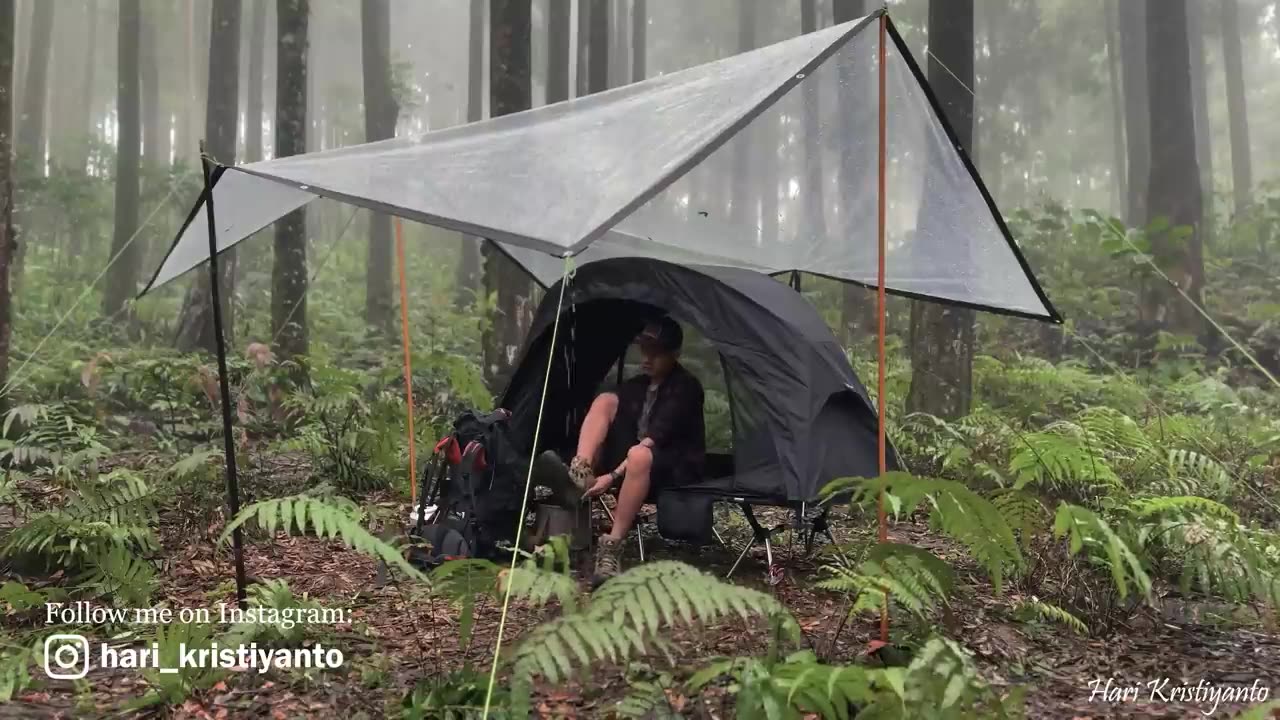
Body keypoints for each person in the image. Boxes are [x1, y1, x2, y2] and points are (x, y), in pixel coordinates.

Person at [534, 315, 705, 587]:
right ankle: (580, 473)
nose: (647, 358)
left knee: (638, 454)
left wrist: (612, 477)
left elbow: (651, 442)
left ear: (675, 354)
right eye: (644, 351)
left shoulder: (686, 387)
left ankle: (612, 547)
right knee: (605, 400)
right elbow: (616, 422)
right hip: (632, 466)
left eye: (656, 353)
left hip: (673, 471)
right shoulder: (637, 386)